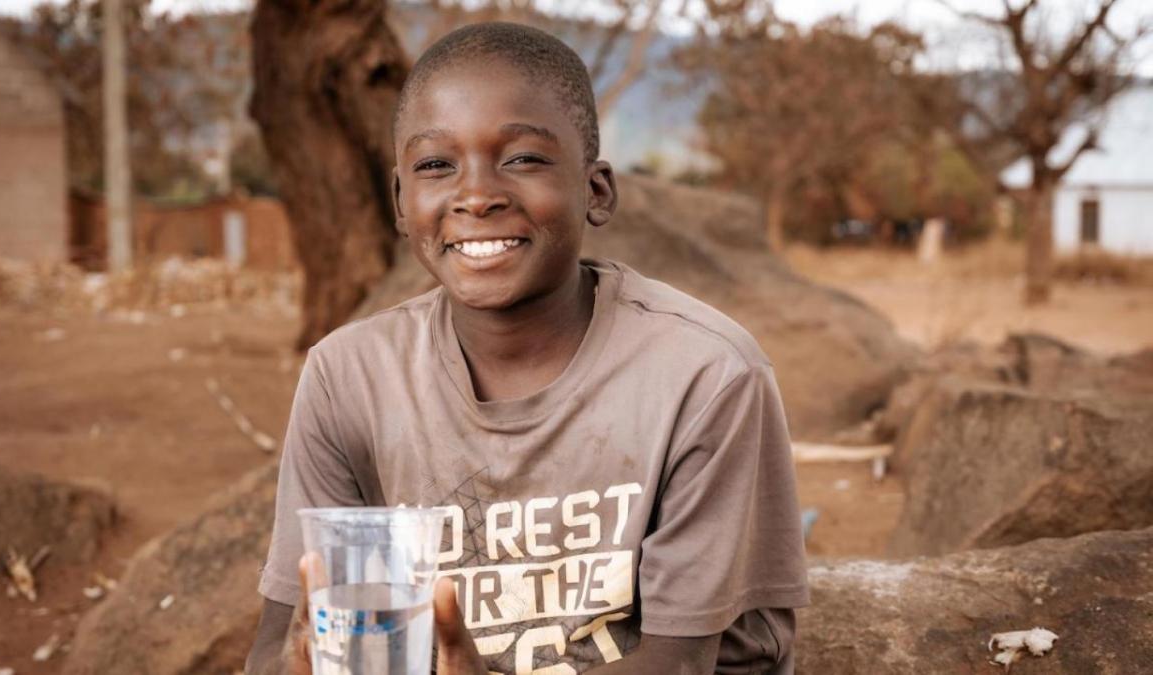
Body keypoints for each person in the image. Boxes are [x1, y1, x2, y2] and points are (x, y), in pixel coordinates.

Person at [245, 21, 808, 675]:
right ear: (402, 201)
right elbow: (280, 643)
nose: (477, 195)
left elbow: (681, 662)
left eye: (522, 158)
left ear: (595, 191)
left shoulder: (703, 373)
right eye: (435, 165)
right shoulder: (349, 376)